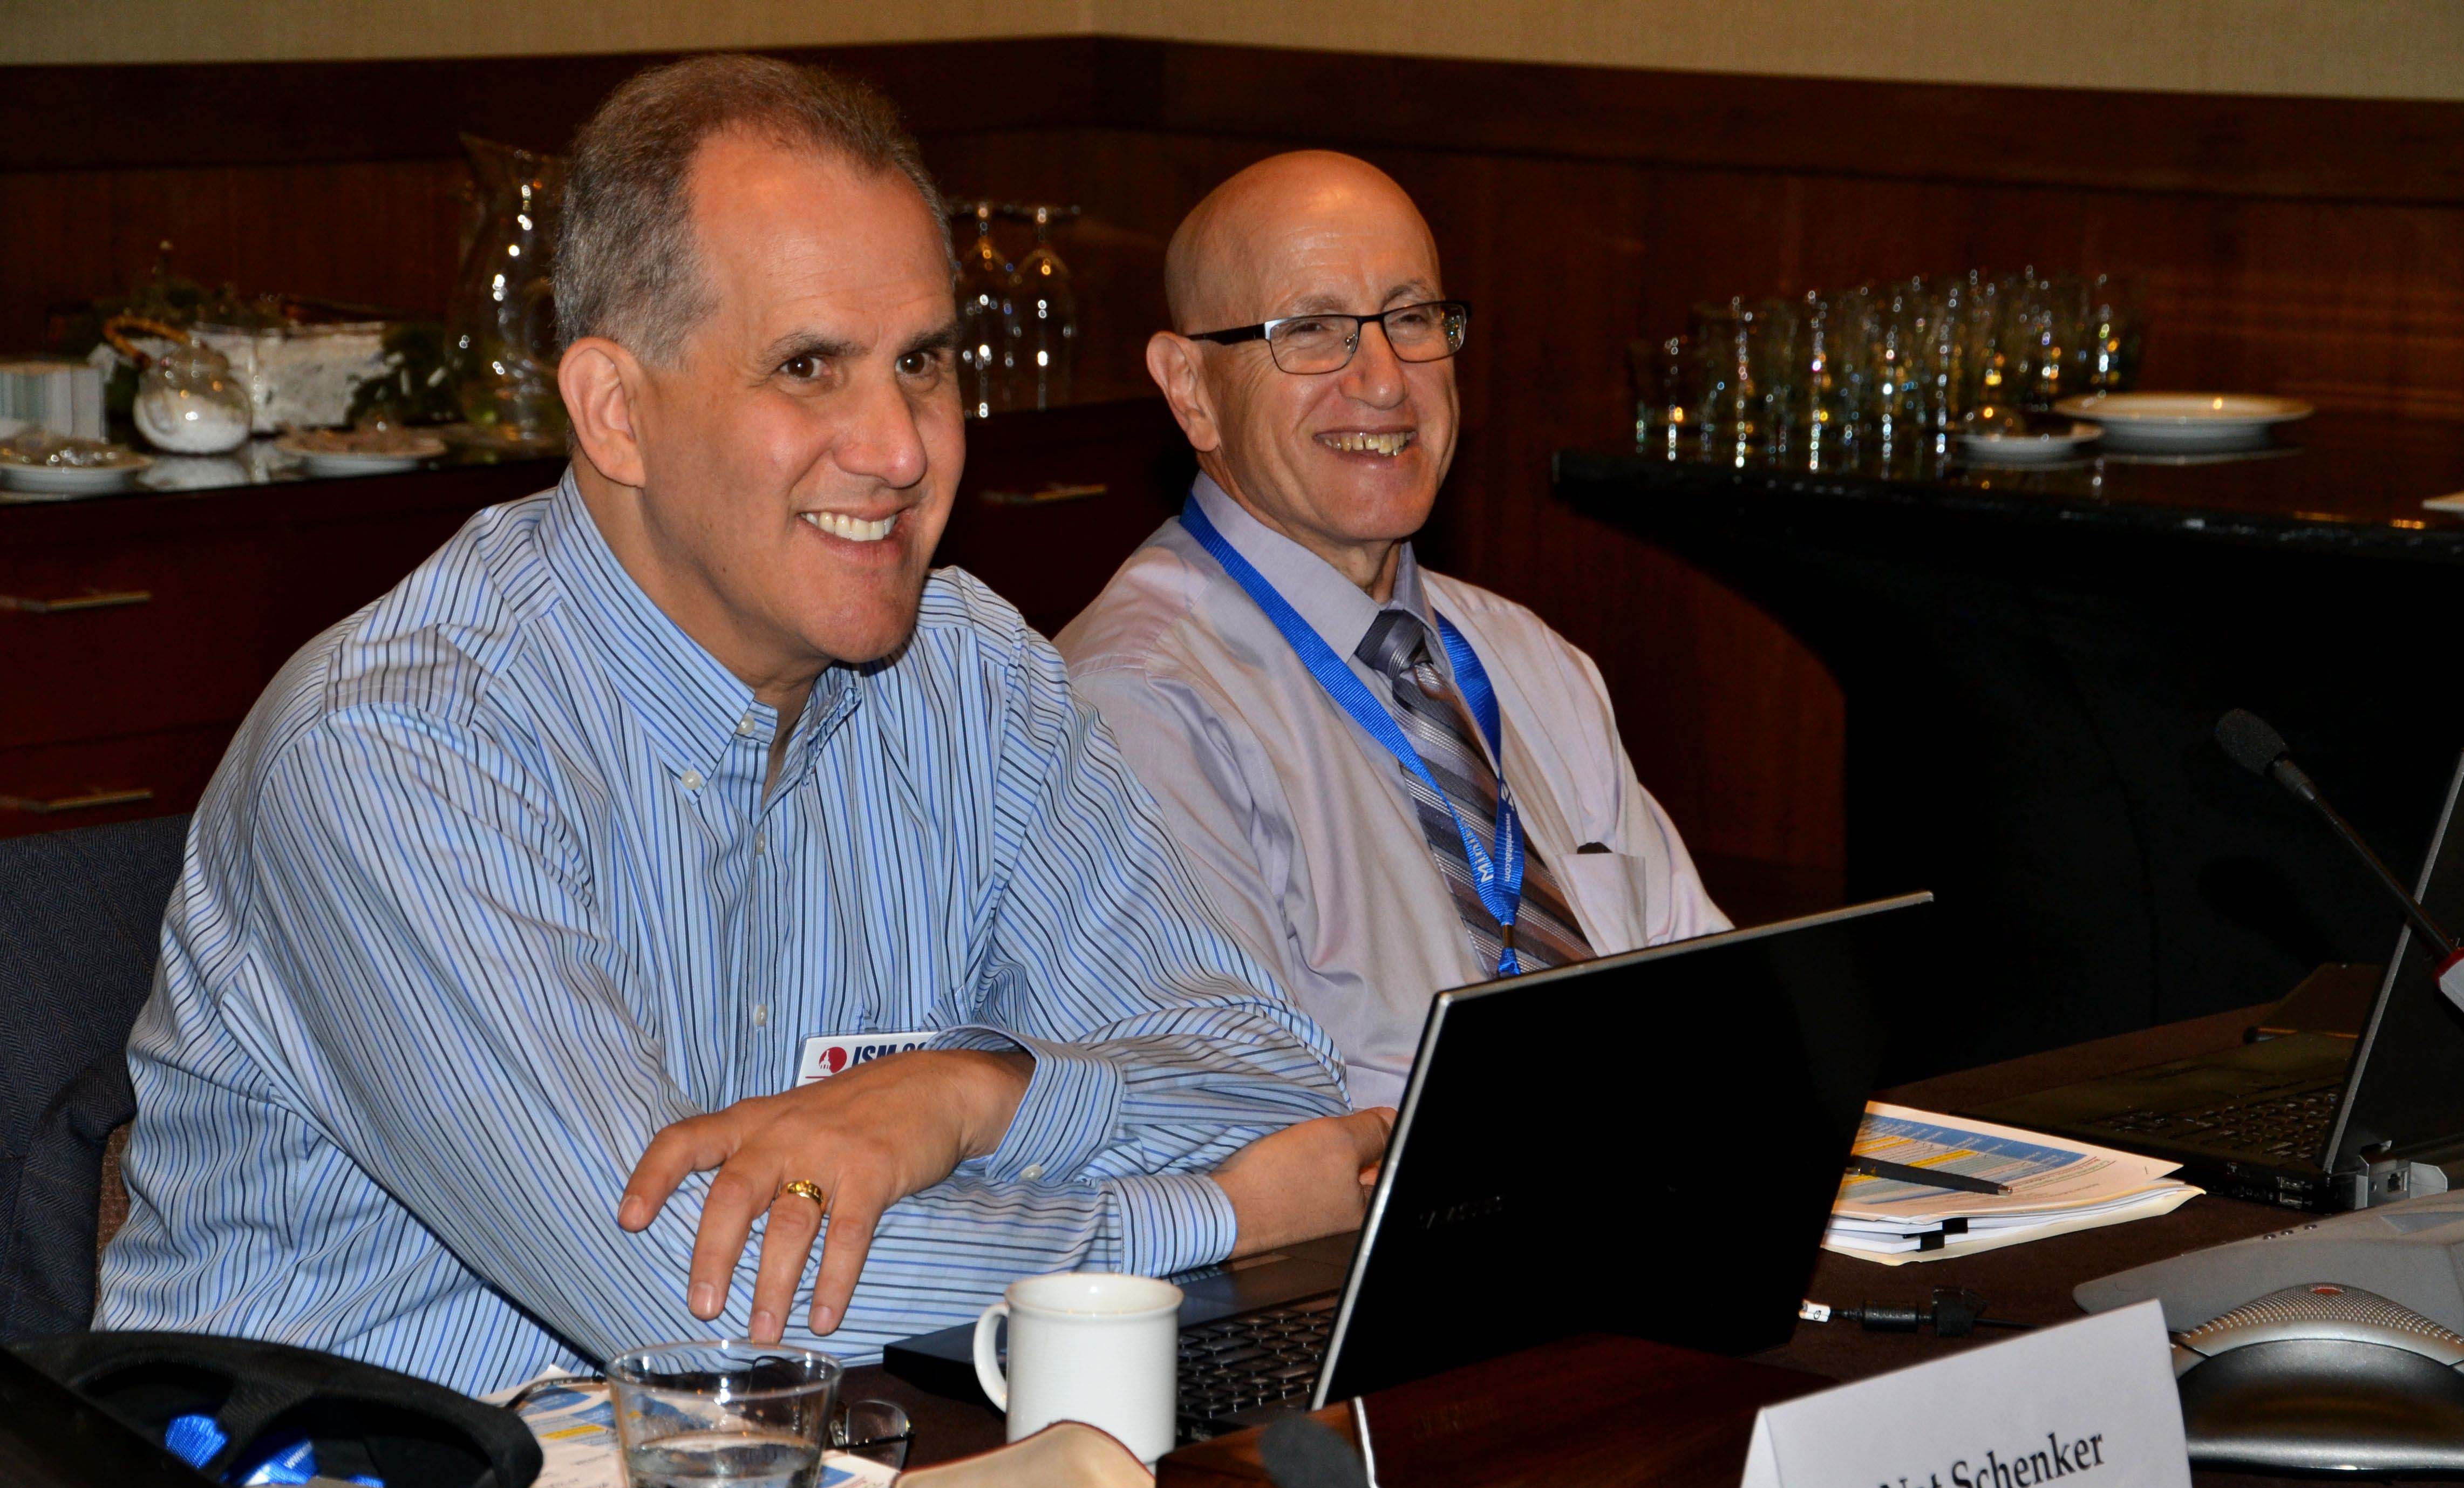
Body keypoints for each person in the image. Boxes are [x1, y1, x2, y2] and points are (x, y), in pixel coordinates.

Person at [95, 58, 1386, 1395]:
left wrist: (968, 1099)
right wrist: (1216, 1220)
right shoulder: (397, 752)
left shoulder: (973, 679)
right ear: (616, 412)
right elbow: (691, 1306)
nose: (899, 446)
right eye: (809, 367)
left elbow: (1272, 1088)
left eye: (922, 363)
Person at [1057, 151, 1727, 1111]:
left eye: (1412, 319)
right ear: (1190, 388)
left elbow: (1713, 1002)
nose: (1382, 382)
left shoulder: (1530, 658)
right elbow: (1240, 1122)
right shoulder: (1137, 703)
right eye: (1315, 331)